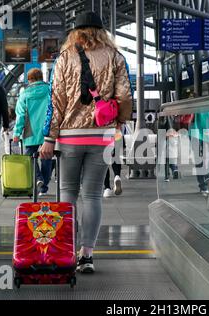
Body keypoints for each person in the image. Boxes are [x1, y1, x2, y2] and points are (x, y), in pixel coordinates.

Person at [39, 11, 132, 273]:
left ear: (75, 33)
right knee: (92, 195)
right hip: (102, 136)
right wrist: (119, 123)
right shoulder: (116, 57)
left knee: (67, 192)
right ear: (102, 32)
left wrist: (49, 138)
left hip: (69, 136)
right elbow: (125, 94)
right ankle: (87, 255)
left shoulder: (64, 59)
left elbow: (55, 102)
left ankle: (66, 251)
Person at [13, 68, 53, 196]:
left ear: (29, 80)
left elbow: (20, 116)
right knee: (46, 157)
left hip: (30, 131)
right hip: (48, 130)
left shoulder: (24, 95)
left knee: (29, 156)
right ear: (41, 78)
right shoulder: (50, 91)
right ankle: (44, 187)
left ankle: (38, 178)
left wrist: (16, 133)